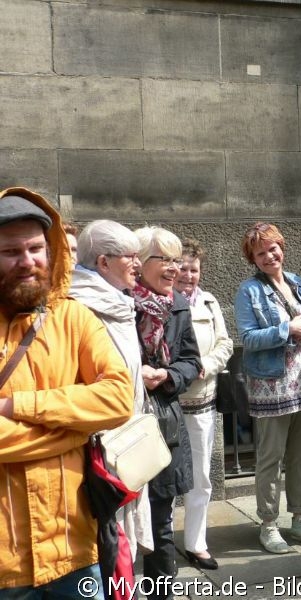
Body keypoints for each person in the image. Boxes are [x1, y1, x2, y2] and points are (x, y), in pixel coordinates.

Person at [0, 188, 133, 595]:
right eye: (10, 252)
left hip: (74, 550)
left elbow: (117, 399)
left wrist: (16, 404)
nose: (28, 262)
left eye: (36, 248)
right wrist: (73, 431)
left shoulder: (75, 318)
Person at [234, 222, 301, 554]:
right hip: (271, 386)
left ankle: (300, 520)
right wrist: (286, 329)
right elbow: (246, 338)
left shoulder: (297, 282)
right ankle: (268, 524)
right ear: (253, 259)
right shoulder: (249, 291)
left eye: (273, 248)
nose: (269, 256)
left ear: (282, 248)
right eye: (260, 253)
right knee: (270, 458)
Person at [69, 219, 153, 561]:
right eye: (129, 256)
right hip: (101, 447)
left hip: (129, 437)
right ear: (103, 262)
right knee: (108, 545)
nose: (138, 264)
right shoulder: (80, 306)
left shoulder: (118, 302)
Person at [133, 226, 202, 599]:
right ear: (140, 262)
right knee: (119, 527)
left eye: (178, 260)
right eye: (165, 260)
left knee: (161, 521)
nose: (174, 269)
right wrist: (132, 374)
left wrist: (168, 375)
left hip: (164, 423)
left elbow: (192, 360)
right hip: (123, 426)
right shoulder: (116, 303)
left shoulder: (177, 304)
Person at [175, 239, 234, 570]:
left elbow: (226, 343)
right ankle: (159, 542)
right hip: (167, 402)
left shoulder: (209, 303)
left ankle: (196, 544)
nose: (187, 275)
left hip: (201, 399)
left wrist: (206, 365)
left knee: (200, 475)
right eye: (182, 267)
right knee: (162, 477)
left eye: (193, 269)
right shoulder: (159, 302)